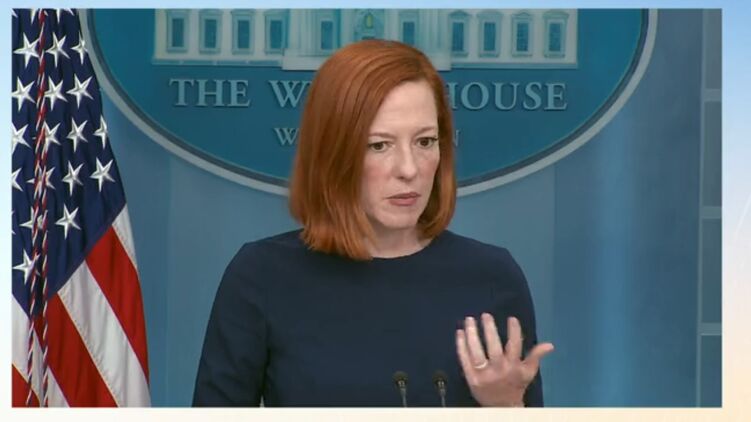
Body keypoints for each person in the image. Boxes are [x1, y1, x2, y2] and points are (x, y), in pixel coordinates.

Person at [193, 39, 554, 407]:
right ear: (333, 153)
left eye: (425, 141)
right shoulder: (261, 276)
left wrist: (507, 408)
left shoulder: (492, 277)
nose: (409, 169)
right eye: (379, 145)